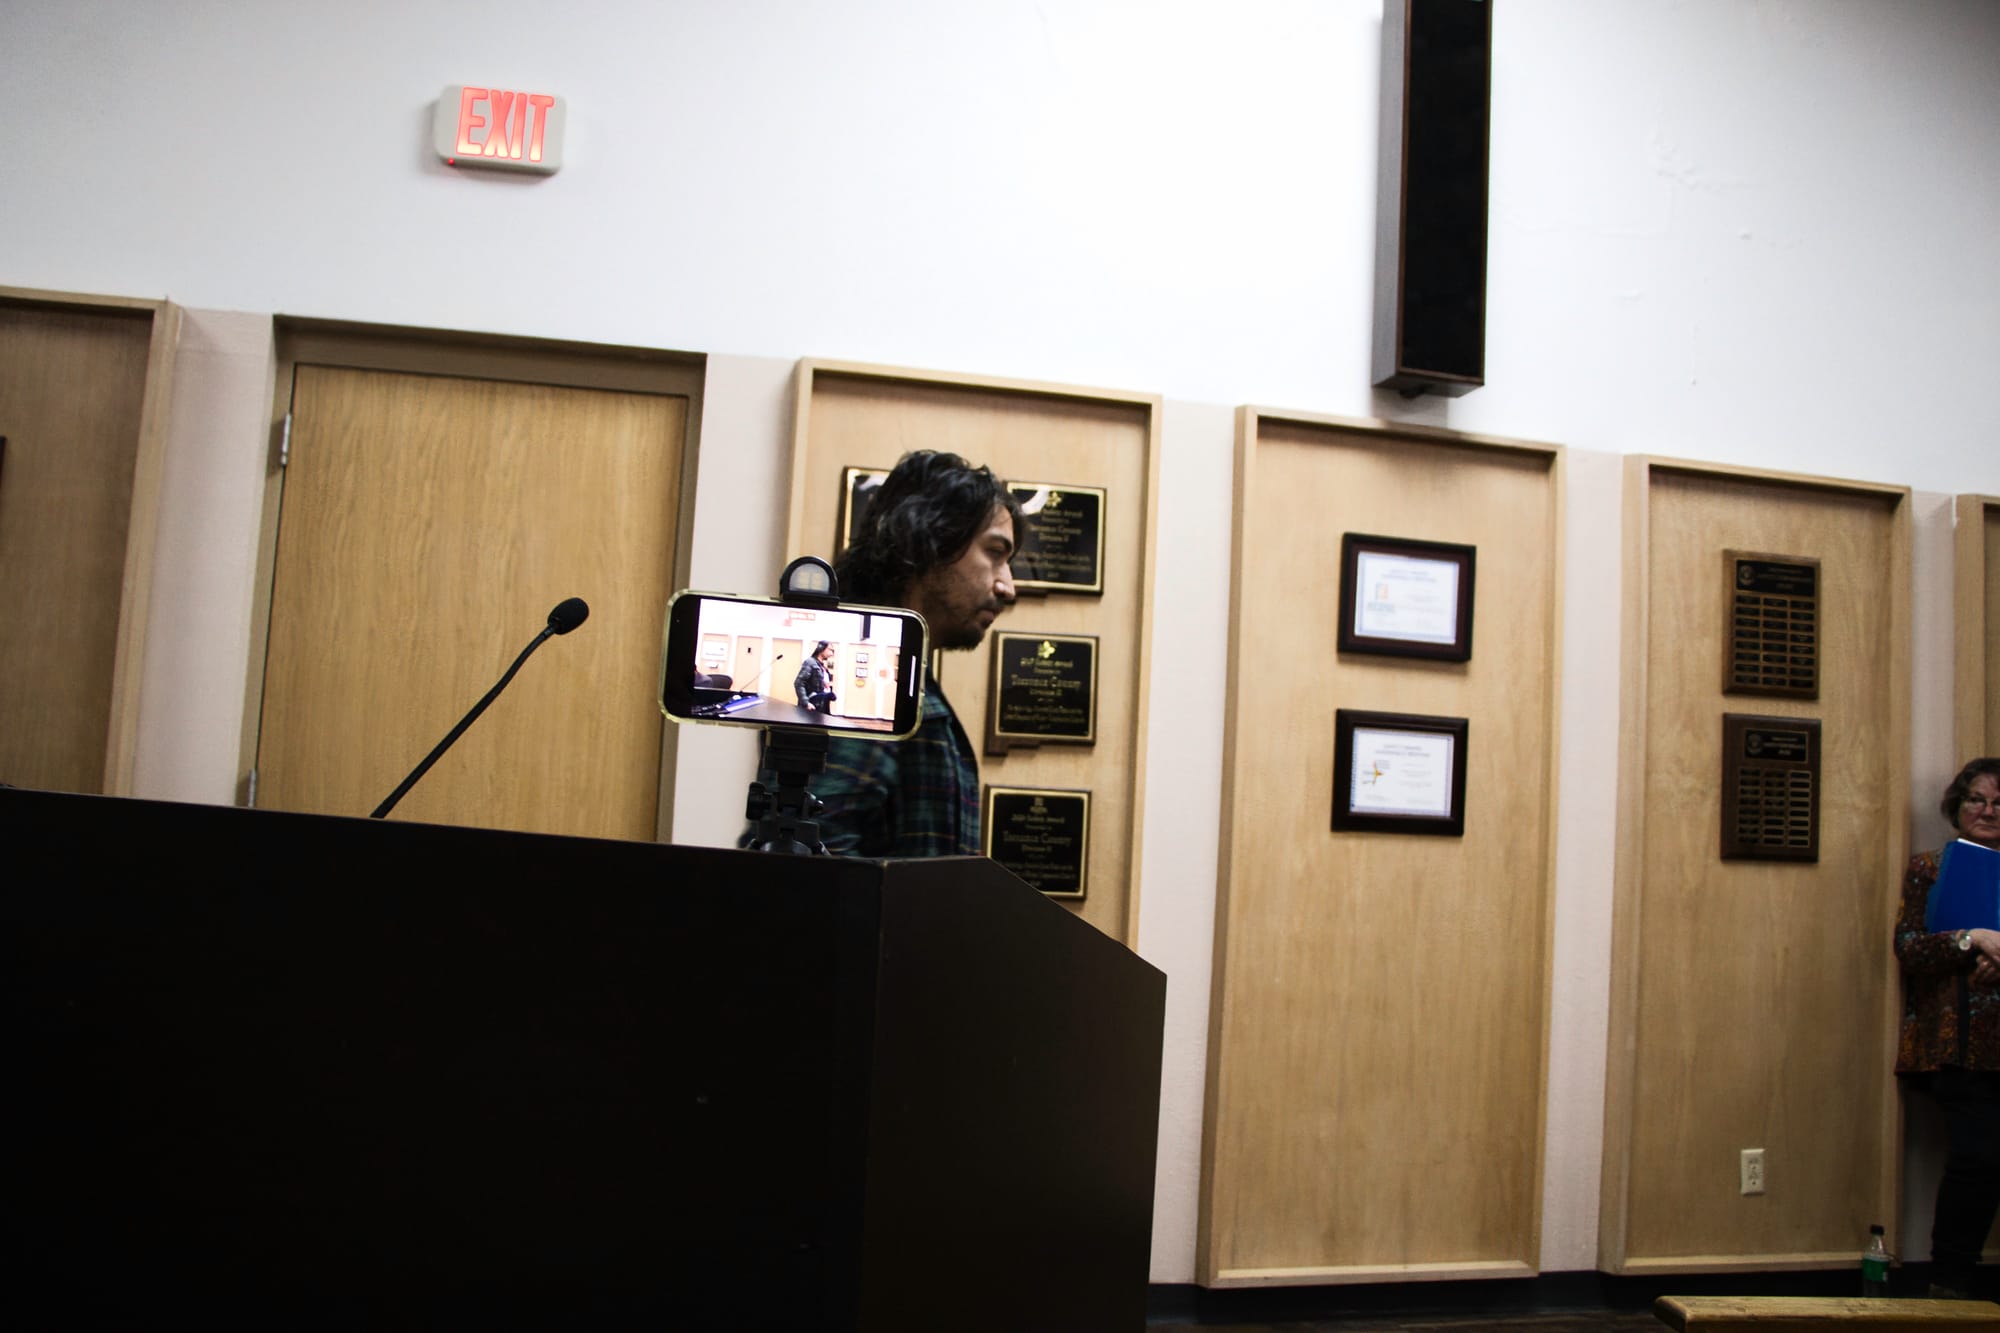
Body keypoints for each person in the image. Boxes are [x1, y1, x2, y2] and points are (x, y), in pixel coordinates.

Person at [813, 449, 1021, 857]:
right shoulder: (868, 670)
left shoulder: (897, 668)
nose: (1008, 587)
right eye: (995, 553)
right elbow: (815, 855)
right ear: (931, 540)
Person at [1895, 757, 2000, 1298]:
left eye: (1999, 803)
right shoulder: (1930, 868)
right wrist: (1974, 939)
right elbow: (1909, 947)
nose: (1987, 811)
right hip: (1957, 1045)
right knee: (1978, 1159)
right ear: (1957, 807)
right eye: (1976, 800)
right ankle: (1948, 1284)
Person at [794, 641, 836, 713]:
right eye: (830, 650)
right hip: (812, 706)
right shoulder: (810, 662)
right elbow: (799, 683)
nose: (831, 654)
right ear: (821, 648)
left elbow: (819, 685)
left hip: (821, 705)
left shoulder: (822, 666)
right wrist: (806, 703)